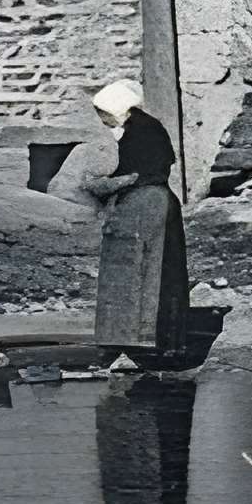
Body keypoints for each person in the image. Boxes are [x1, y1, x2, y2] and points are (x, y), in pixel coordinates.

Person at [70, 79, 192, 370]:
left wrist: (99, 185)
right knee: (140, 274)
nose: (101, 118)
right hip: (146, 203)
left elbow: (138, 173)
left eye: (103, 112)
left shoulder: (142, 132)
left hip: (146, 204)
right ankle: (141, 340)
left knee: (146, 274)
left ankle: (143, 341)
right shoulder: (137, 129)